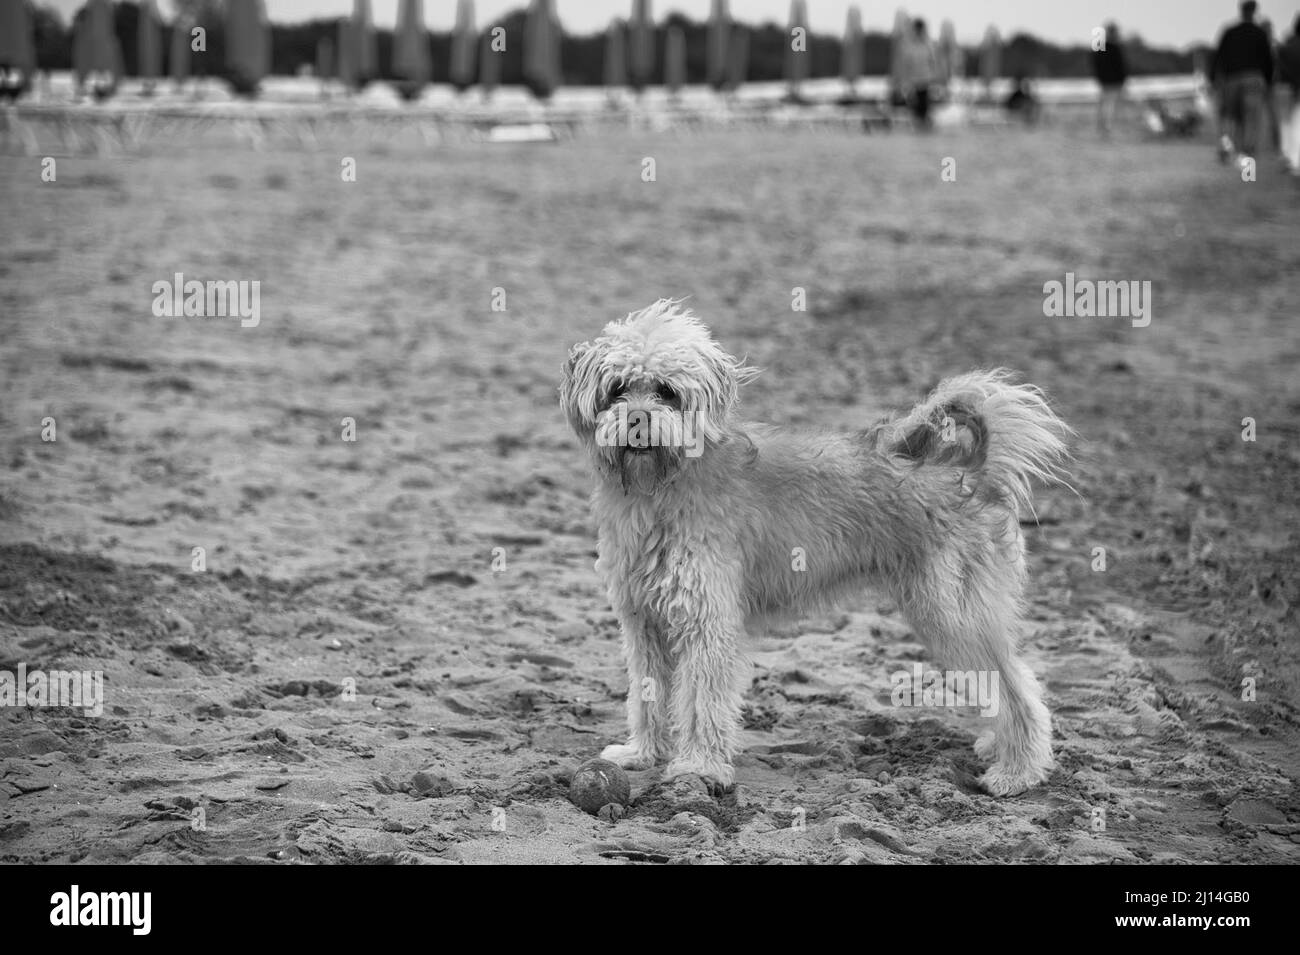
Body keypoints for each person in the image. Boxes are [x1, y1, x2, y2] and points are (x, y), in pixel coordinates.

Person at [1212, 0, 1274, 165]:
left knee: (1229, 116)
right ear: (1254, 11)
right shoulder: (1260, 33)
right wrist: (1268, 82)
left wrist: (1213, 78)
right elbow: (1268, 60)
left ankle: (1227, 148)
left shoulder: (1230, 31)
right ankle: (1247, 156)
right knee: (1250, 118)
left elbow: (1218, 56)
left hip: (1231, 79)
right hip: (1253, 79)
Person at [898, 18, 940, 128]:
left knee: (924, 107)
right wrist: (905, 82)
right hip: (913, 82)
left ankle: (924, 125)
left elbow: (933, 63)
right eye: (917, 30)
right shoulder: (908, 45)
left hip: (926, 81)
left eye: (920, 30)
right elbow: (905, 65)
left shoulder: (928, 45)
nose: (918, 32)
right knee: (915, 108)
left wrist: (935, 80)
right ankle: (918, 125)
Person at [1093, 21, 1129, 136]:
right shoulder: (1109, 47)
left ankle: (1106, 128)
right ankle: (1105, 128)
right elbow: (1098, 64)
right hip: (1109, 82)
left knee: (1109, 106)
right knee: (1108, 106)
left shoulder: (1111, 47)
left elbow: (1120, 66)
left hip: (1111, 82)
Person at [1279, 14, 1300, 174]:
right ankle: (1293, 161)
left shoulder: (1288, 45)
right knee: (1294, 124)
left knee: (1289, 124)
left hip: (1285, 88)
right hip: (1293, 89)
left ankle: (1290, 158)